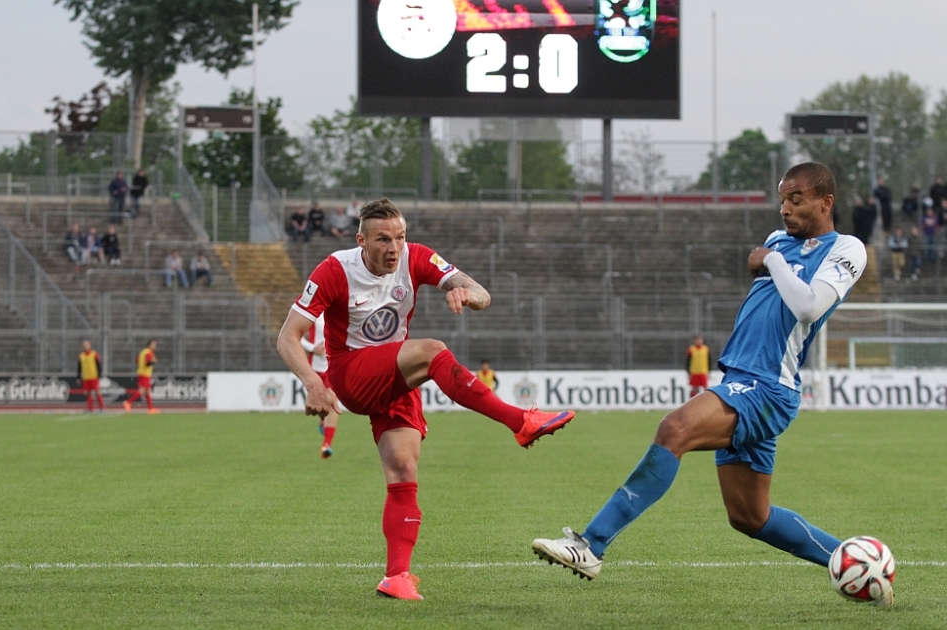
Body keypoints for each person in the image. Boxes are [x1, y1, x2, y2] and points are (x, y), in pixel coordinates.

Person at [529, 164, 883, 604]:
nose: (785, 209)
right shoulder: (778, 240)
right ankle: (857, 563)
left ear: (826, 202)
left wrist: (771, 261)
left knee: (674, 428)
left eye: (796, 199)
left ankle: (591, 545)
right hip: (741, 381)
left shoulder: (846, 248)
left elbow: (808, 308)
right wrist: (773, 255)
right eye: (782, 200)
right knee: (750, 516)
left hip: (769, 388)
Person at [276, 197, 575, 601]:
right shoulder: (334, 270)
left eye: (400, 237)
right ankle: (520, 421)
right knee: (433, 350)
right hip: (352, 374)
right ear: (361, 240)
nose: (394, 247)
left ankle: (396, 577)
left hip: (395, 377)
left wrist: (464, 293)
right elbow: (288, 336)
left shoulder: (415, 257)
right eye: (383, 239)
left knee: (403, 469)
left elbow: (481, 293)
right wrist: (313, 383)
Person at [301, 312, 337, 458]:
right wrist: (312, 348)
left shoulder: (341, 309)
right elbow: (295, 336)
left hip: (333, 366)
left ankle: (327, 444)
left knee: (333, 401)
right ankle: (323, 420)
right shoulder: (314, 312)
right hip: (316, 367)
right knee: (321, 405)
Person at [123, 339, 158, 414]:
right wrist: (153, 361)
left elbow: (137, 360)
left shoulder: (143, 352)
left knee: (148, 391)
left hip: (142, 373)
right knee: (141, 391)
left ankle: (151, 409)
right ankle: (128, 402)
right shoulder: (149, 353)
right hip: (145, 374)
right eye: (153, 345)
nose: (154, 346)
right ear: (149, 345)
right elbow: (147, 363)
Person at [77, 339, 104, 413]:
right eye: (84, 346)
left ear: (89, 346)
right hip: (86, 377)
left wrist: (99, 375)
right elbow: (79, 367)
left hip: (94, 377)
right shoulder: (81, 356)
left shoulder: (94, 354)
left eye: (86, 345)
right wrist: (78, 377)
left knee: (97, 392)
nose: (85, 347)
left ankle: (101, 408)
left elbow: (98, 365)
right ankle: (90, 408)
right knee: (88, 393)